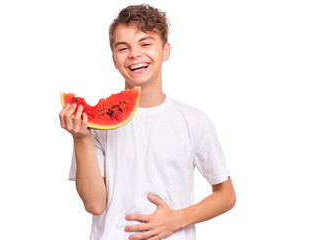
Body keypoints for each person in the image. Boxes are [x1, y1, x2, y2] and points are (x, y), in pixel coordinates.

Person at [59, 4, 236, 240]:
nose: (134, 54)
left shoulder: (194, 121)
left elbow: (226, 195)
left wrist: (178, 219)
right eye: (124, 48)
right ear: (114, 59)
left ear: (165, 51)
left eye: (145, 43)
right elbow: (94, 204)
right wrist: (81, 138)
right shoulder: (95, 127)